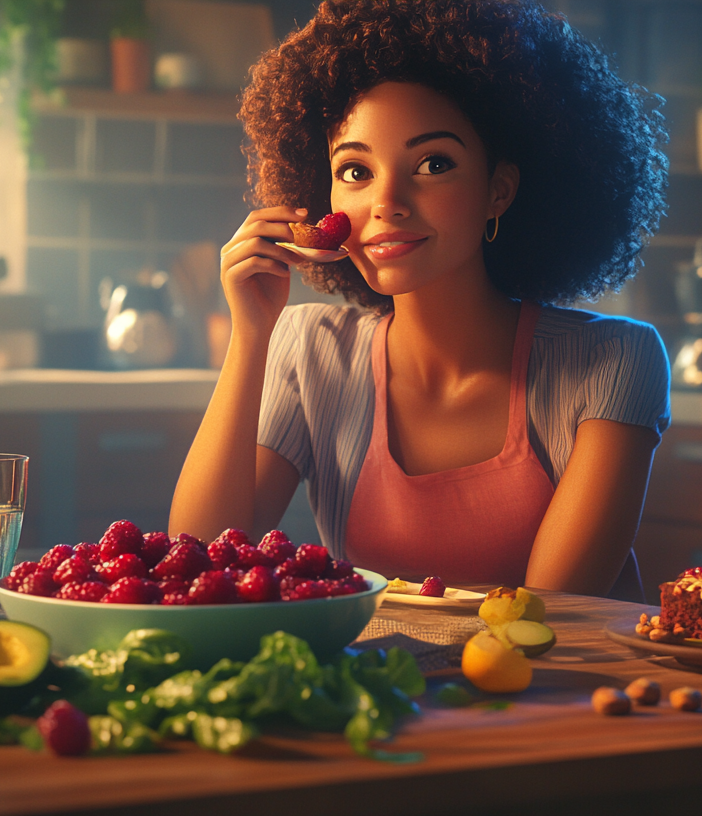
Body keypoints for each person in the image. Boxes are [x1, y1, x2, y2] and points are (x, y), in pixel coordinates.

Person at [169, 0, 670, 600]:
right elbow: (195, 561)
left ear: (499, 190)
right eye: (355, 170)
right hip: (387, 692)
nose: (387, 202)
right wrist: (251, 333)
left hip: (562, 690)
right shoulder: (307, 348)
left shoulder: (617, 359)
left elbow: (548, 616)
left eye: (433, 163)